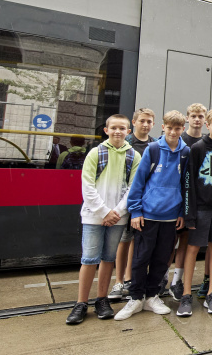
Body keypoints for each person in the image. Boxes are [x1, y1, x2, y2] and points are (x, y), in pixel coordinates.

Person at [65, 115, 140, 325]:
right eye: (114, 128)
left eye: (122, 128)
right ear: (106, 130)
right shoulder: (95, 153)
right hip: (93, 216)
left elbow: (133, 188)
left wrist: (116, 212)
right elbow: (87, 186)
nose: (118, 131)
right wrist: (103, 211)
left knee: (108, 258)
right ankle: (81, 303)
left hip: (117, 216)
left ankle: (101, 299)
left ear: (128, 131)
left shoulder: (133, 156)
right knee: (89, 259)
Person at [115, 111, 189, 320]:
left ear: (182, 129)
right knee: (140, 258)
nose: (173, 132)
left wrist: (183, 212)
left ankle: (152, 296)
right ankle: (135, 298)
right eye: (170, 127)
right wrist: (136, 211)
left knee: (162, 259)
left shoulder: (186, 152)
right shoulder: (153, 149)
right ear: (163, 127)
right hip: (148, 215)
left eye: (178, 128)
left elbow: (186, 184)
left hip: (170, 217)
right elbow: (138, 182)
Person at [177, 109, 212, 317]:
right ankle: (185, 295)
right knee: (193, 248)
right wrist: (189, 213)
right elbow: (189, 182)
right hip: (200, 208)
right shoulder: (198, 148)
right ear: (207, 126)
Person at [111, 109, 158, 301]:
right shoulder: (126, 143)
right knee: (124, 240)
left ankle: (131, 279)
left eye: (149, 122)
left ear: (153, 124)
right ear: (134, 122)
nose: (145, 125)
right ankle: (119, 281)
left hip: (146, 202)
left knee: (137, 242)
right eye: (142, 121)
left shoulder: (155, 145)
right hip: (126, 200)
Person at [170, 103, 207, 300]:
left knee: (185, 239)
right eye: (193, 115)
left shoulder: (205, 142)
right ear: (187, 118)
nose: (197, 119)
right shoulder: (179, 139)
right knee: (169, 242)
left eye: (201, 116)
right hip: (175, 198)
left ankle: (177, 280)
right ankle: (160, 280)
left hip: (194, 201)